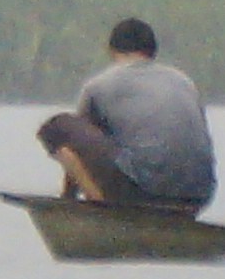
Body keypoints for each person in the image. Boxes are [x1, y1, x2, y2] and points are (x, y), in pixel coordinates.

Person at [37, 18, 214, 211]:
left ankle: (95, 208)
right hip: (199, 196)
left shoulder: (100, 85)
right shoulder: (184, 82)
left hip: (143, 194)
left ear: (112, 50)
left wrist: (68, 197)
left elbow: (76, 148)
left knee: (57, 127)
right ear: (152, 52)